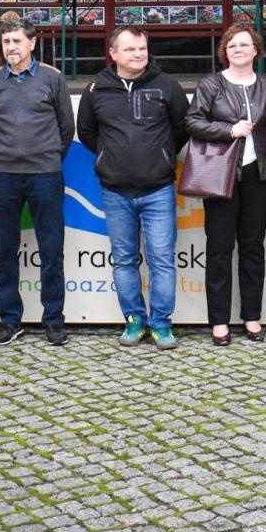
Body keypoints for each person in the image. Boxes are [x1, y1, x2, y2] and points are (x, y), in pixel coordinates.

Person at [77, 25, 190, 350]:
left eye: (142, 48)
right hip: (115, 192)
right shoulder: (96, 88)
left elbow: (181, 128)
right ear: (113, 53)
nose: (139, 54)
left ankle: (162, 323)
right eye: (130, 49)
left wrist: (161, 156)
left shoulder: (167, 85)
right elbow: (87, 132)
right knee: (125, 260)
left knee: (162, 260)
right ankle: (134, 320)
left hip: (157, 190)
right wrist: (109, 158)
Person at [186, 23, 266, 345]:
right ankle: (219, 321)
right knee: (218, 249)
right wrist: (228, 130)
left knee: (253, 248)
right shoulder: (211, 84)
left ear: (256, 50)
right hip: (221, 177)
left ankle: (252, 317)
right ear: (224, 52)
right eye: (232, 46)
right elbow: (193, 121)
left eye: (245, 45)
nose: (239, 50)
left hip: (259, 175)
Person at [0, 16, 75, 347]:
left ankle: (53, 319)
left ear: (32, 43)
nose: (11, 47)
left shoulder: (52, 78)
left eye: (17, 41)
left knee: (51, 251)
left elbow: (67, 127)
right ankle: (9, 320)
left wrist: (46, 156)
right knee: (5, 251)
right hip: (5, 175)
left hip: (45, 175)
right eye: (6, 42)